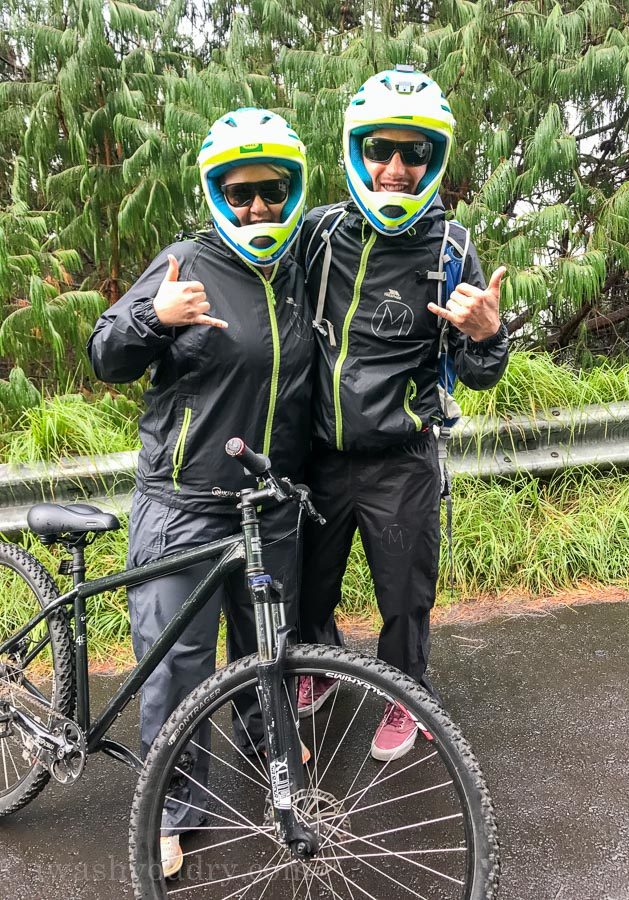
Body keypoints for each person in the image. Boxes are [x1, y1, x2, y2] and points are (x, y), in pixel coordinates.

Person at [87, 108, 313, 876]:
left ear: (292, 193)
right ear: (216, 191)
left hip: (266, 503)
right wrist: (153, 319)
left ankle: (272, 757)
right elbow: (104, 353)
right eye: (239, 192)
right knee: (179, 667)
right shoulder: (187, 259)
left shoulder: (296, 271)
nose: (257, 208)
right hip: (183, 503)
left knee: (269, 646)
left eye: (272, 193)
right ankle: (173, 809)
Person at [297, 66, 509, 762]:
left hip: (403, 456)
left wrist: (484, 333)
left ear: (433, 159)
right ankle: (322, 666)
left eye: (412, 153)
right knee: (308, 582)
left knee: (403, 596)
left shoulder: (450, 247)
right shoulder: (320, 234)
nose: (393, 168)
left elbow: (478, 373)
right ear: (355, 151)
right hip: (320, 452)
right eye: (378, 150)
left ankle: (404, 693)